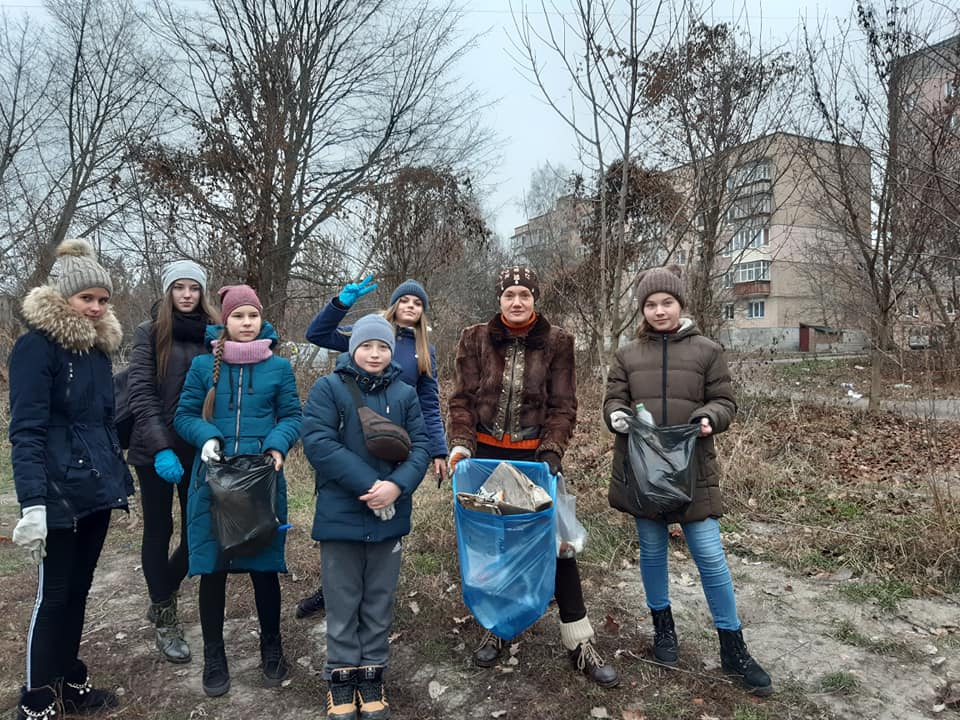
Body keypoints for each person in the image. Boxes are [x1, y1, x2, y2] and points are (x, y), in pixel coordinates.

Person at [602, 265, 772, 696]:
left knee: (711, 557)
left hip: (693, 471)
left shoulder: (707, 351)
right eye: (650, 304)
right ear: (642, 309)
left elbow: (725, 401)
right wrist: (616, 417)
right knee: (653, 552)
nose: (659, 311)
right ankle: (664, 629)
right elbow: (613, 400)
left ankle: (732, 647)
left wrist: (710, 418)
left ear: (681, 305)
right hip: (642, 471)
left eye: (667, 302)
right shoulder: (627, 354)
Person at [447, 266, 619, 688]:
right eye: (510, 295)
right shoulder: (475, 338)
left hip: (535, 462)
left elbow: (564, 405)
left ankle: (580, 641)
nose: (518, 301)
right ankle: (500, 626)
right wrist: (462, 444)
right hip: (486, 459)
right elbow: (462, 400)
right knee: (497, 548)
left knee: (557, 547)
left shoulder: (558, 342)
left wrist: (552, 453)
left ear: (535, 298)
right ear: (499, 299)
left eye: (525, 294)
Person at [9, 239, 135, 719]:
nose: (97, 308)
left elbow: (104, 424)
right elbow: (26, 429)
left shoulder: (99, 351)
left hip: (96, 489)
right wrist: (33, 502)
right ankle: (36, 698)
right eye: (88, 299)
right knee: (53, 593)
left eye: (103, 300)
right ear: (64, 297)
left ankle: (67, 677)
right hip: (56, 491)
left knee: (81, 587)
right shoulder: (34, 348)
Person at [174, 284, 302, 698]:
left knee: (265, 567)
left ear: (260, 319)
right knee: (212, 568)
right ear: (224, 321)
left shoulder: (279, 367)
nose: (246, 324)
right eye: (237, 317)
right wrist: (207, 437)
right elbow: (184, 415)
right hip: (213, 481)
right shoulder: (201, 367)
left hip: (261, 479)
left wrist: (278, 445)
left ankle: (272, 648)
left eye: (252, 316)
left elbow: (292, 416)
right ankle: (215, 655)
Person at [301, 314, 430, 720]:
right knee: (342, 599)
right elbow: (318, 442)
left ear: (391, 350)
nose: (374, 353)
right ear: (352, 347)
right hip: (341, 514)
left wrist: (397, 486)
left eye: (382, 346)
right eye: (367, 345)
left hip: (389, 515)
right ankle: (341, 677)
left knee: (378, 599)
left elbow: (422, 447)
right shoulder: (329, 388)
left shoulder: (406, 393)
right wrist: (370, 485)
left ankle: (372, 674)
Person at [295, 277, 446, 620]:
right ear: (394, 305)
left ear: (423, 311)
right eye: (404, 300)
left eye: (417, 302)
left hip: (395, 442)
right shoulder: (365, 333)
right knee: (347, 516)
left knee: (385, 514)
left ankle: (375, 598)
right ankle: (331, 591)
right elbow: (316, 335)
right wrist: (340, 303)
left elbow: (428, 401)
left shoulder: (424, 349)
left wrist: (437, 449)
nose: (410, 306)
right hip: (353, 435)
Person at [126, 260, 218, 664]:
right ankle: (165, 616)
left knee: (200, 530)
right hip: (155, 451)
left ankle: (162, 588)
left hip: (200, 448)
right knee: (159, 530)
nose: (186, 294)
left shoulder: (213, 335)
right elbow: (141, 395)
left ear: (202, 293)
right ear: (168, 293)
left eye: (193, 288)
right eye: (178, 287)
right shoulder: (149, 334)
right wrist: (161, 447)